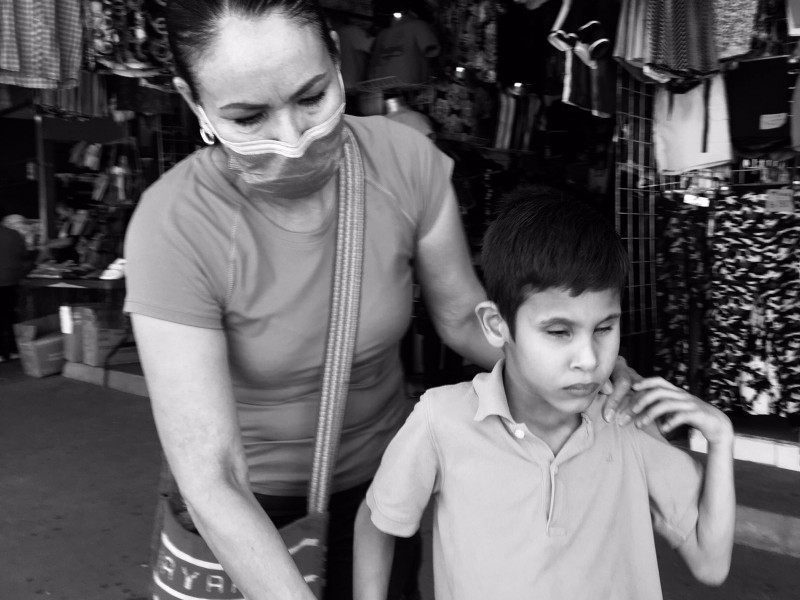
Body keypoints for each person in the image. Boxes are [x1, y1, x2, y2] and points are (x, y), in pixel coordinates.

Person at [123, 2, 637, 599]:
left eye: (311, 98)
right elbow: (214, 478)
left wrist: (574, 359)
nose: (292, 140)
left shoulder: (404, 164)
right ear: (193, 101)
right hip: (249, 518)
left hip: (382, 492)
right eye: (248, 117)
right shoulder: (174, 226)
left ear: (339, 63)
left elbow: (459, 316)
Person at [354, 190, 736, 600]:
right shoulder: (442, 420)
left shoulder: (625, 421)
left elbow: (710, 564)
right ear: (496, 325)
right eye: (559, 332)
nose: (589, 359)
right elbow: (376, 523)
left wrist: (720, 437)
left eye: (604, 328)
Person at [0, 213, 30, 362]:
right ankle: (13, 350)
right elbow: (23, 254)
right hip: (12, 280)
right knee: (10, 315)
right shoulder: (15, 234)